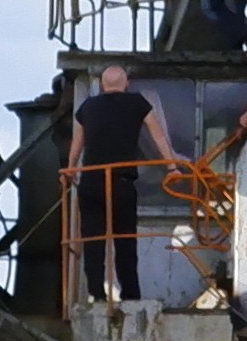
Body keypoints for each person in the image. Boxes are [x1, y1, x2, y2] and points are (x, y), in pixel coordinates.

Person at [67, 59, 178, 310]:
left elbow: (77, 144)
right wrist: (171, 166)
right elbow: (157, 135)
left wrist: (70, 171)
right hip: (122, 182)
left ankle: (96, 293)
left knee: (93, 241)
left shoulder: (88, 107)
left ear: (103, 84)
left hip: (92, 181)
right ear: (125, 83)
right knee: (125, 241)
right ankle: (130, 294)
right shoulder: (138, 103)